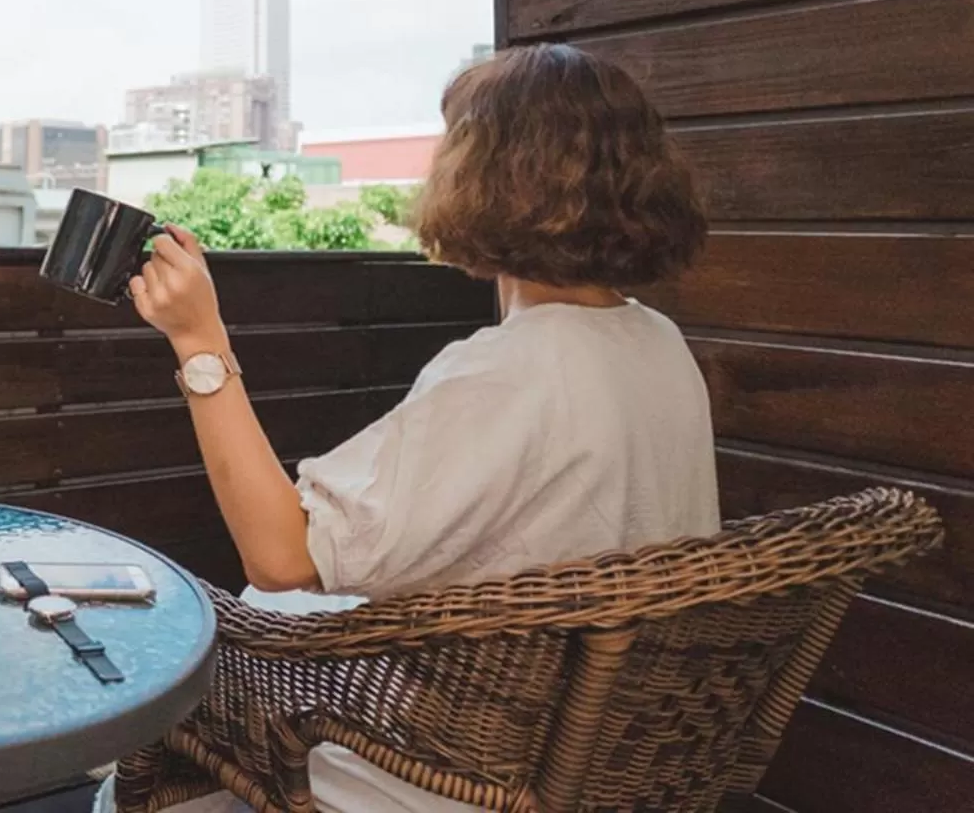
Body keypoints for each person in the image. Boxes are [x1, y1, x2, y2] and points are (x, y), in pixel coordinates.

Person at [99, 44, 718, 813]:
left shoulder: (513, 369)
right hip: (606, 752)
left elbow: (283, 553)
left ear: (490, 177)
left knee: (190, 667)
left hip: (456, 772)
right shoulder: (656, 340)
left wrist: (201, 343)